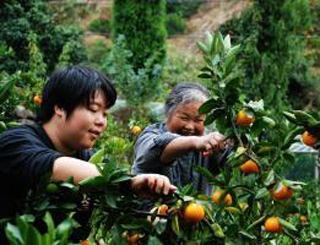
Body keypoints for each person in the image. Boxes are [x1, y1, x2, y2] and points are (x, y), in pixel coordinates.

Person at [0, 65, 176, 220]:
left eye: (105, 114)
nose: (101, 121)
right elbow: (51, 166)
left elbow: (120, 199)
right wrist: (128, 182)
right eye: (93, 109)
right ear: (60, 107)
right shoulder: (15, 142)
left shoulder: (88, 158)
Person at [132, 82, 227, 195]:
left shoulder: (209, 143)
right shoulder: (149, 136)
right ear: (168, 115)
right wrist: (196, 141)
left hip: (197, 212)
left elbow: (234, 158)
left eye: (198, 120)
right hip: (150, 212)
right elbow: (159, 151)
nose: (190, 127)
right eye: (184, 118)